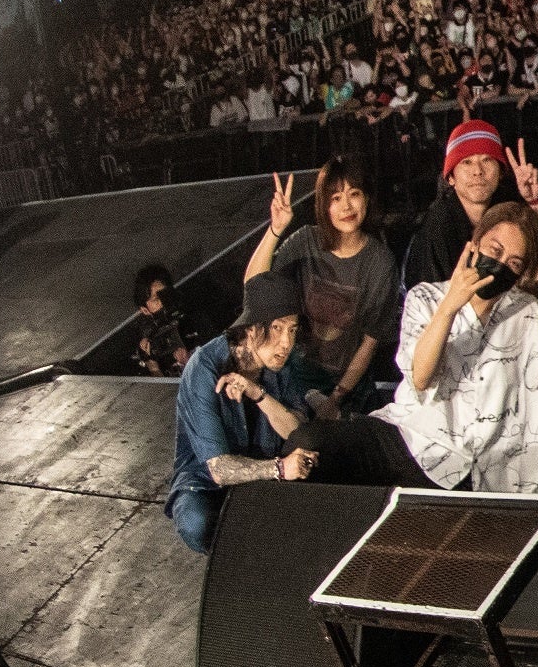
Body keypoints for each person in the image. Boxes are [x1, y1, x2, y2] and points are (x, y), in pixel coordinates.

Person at [295, 201, 538, 498]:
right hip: (415, 439)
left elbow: (535, 405)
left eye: (513, 263)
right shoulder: (426, 297)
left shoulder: (526, 312)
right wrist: (449, 307)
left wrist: (533, 490)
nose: (499, 265)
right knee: (310, 442)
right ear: (475, 243)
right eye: (494, 251)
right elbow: (420, 378)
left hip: (480, 464)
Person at [165, 270, 318, 553]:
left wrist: (257, 393)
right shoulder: (203, 367)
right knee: (197, 523)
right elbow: (219, 469)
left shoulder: (280, 362)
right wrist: (279, 468)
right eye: (277, 328)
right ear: (251, 329)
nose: (286, 342)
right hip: (207, 481)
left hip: (263, 471)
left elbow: (296, 431)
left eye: (292, 330)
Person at [244, 162, 397, 420]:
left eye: (354, 194)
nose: (346, 206)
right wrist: (275, 229)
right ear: (324, 205)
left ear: (367, 198)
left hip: (349, 391)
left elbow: (369, 344)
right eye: (335, 198)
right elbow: (254, 287)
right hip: (295, 381)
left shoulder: (380, 262)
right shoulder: (306, 240)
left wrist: (335, 399)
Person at [405, 117, 538, 283]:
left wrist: (534, 201)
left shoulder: (507, 206)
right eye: (467, 162)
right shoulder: (438, 226)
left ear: (501, 172)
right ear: (451, 178)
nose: (478, 171)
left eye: (487, 160)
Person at [130, 262, 195, 379]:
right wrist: (152, 365)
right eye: (156, 300)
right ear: (145, 310)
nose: (163, 303)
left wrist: (190, 361)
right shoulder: (149, 338)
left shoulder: (192, 317)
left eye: (165, 295)